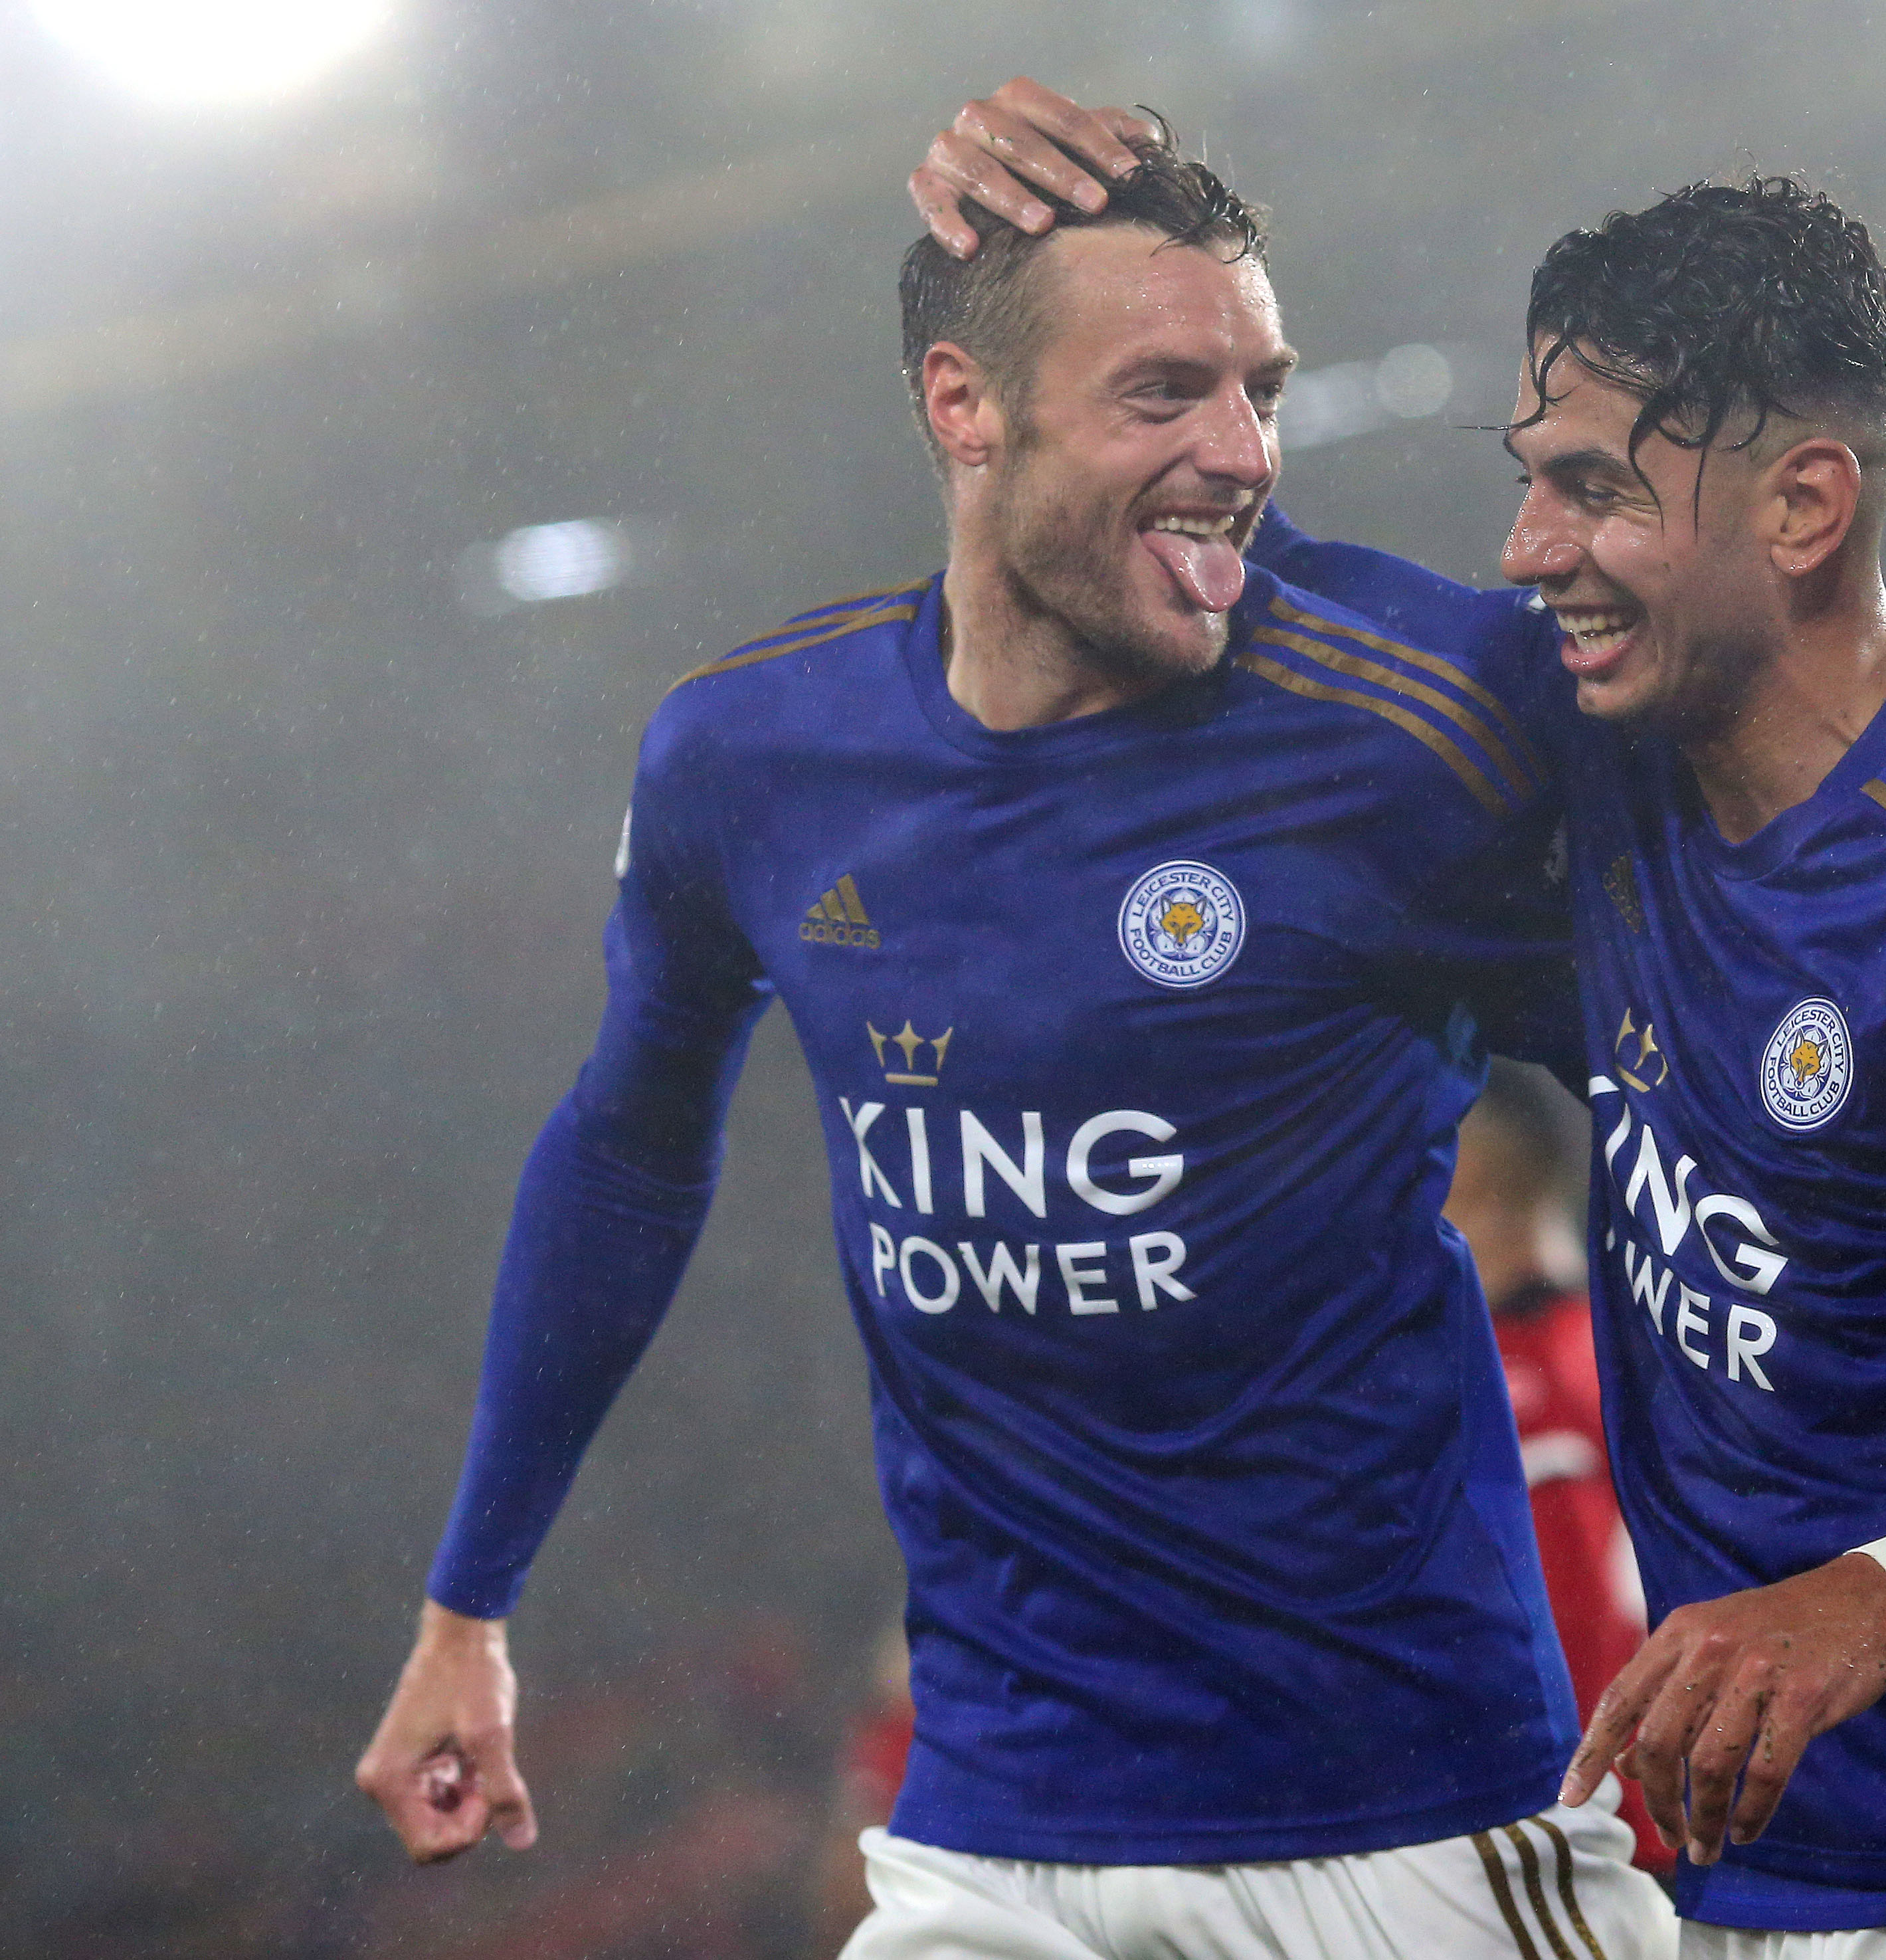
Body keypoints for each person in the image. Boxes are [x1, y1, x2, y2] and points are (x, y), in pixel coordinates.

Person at [911, 78, 1886, 1959]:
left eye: (1596, 487)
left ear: (1806, 505)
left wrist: (1872, 1595)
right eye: (1531, 471)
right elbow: (1190, 567)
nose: (1528, 545)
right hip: (1752, 1892)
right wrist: (1031, 274)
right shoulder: (1588, 749)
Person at [355, 124, 1676, 1960]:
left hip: (1414, 1821)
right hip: (994, 1835)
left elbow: (1755, 1001)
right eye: (1163, 389)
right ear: (962, 404)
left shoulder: (1416, 710)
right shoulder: (753, 758)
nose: (1242, 450)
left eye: (1259, 388)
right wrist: (465, 1606)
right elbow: (630, 1145)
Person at [1448, 1065, 1675, 1876]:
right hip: (1682, 1820)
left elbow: (1570, 1627)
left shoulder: (1507, 1393)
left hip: (1582, 1837)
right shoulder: (1643, 1354)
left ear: (1463, 1177)